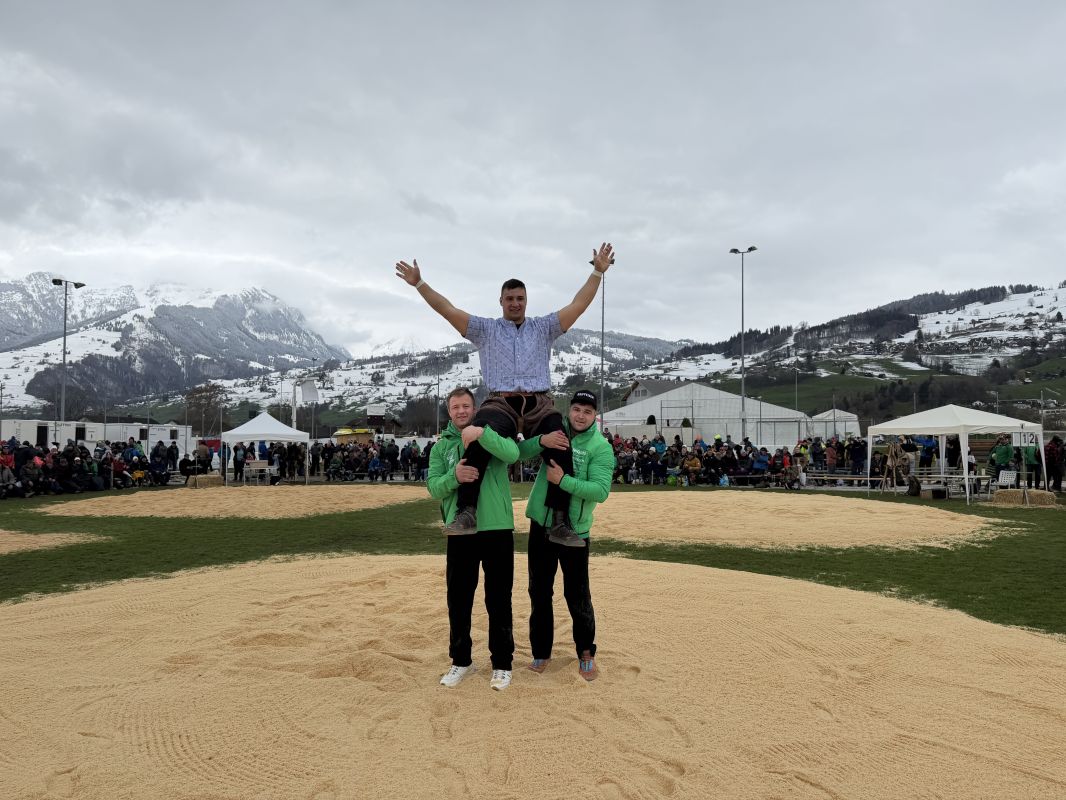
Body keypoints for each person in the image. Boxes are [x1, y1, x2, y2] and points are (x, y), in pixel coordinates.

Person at [395, 242, 615, 543]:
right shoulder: (485, 329)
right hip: (500, 403)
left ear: (526, 301)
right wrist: (420, 283)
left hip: (539, 403)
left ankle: (560, 520)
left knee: (560, 438)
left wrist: (597, 273)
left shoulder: (543, 328)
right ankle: (467, 511)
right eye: (510, 298)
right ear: (500, 301)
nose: (515, 303)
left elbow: (577, 305)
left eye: (520, 298)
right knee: (478, 433)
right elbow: (448, 309)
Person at [428, 387, 520, 691]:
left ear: (475, 408)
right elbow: (433, 487)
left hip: (496, 527)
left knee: (499, 598)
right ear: (449, 411)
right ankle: (461, 660)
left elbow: (513, 454)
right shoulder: (441, 447)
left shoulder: (491, 434)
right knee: (459, 599)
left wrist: (483, 434)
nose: (461, 411)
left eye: (466, 406)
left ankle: (502, 664)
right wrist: (454, 477)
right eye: (455, 407)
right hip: (461, 530)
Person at [517, 390, 614, 681]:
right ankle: (541, 652)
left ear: (595, 416)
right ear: (569, 410)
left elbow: (601, 491)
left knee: (577, 594)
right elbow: (519, 453)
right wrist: (541, 441)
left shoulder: (600, 447)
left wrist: (564, 481)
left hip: (575, 530)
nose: (581, 416)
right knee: (539, 591)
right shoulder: (555, 431)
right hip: (541, 524)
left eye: (587, 411)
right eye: (577, 409)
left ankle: (585, 652)